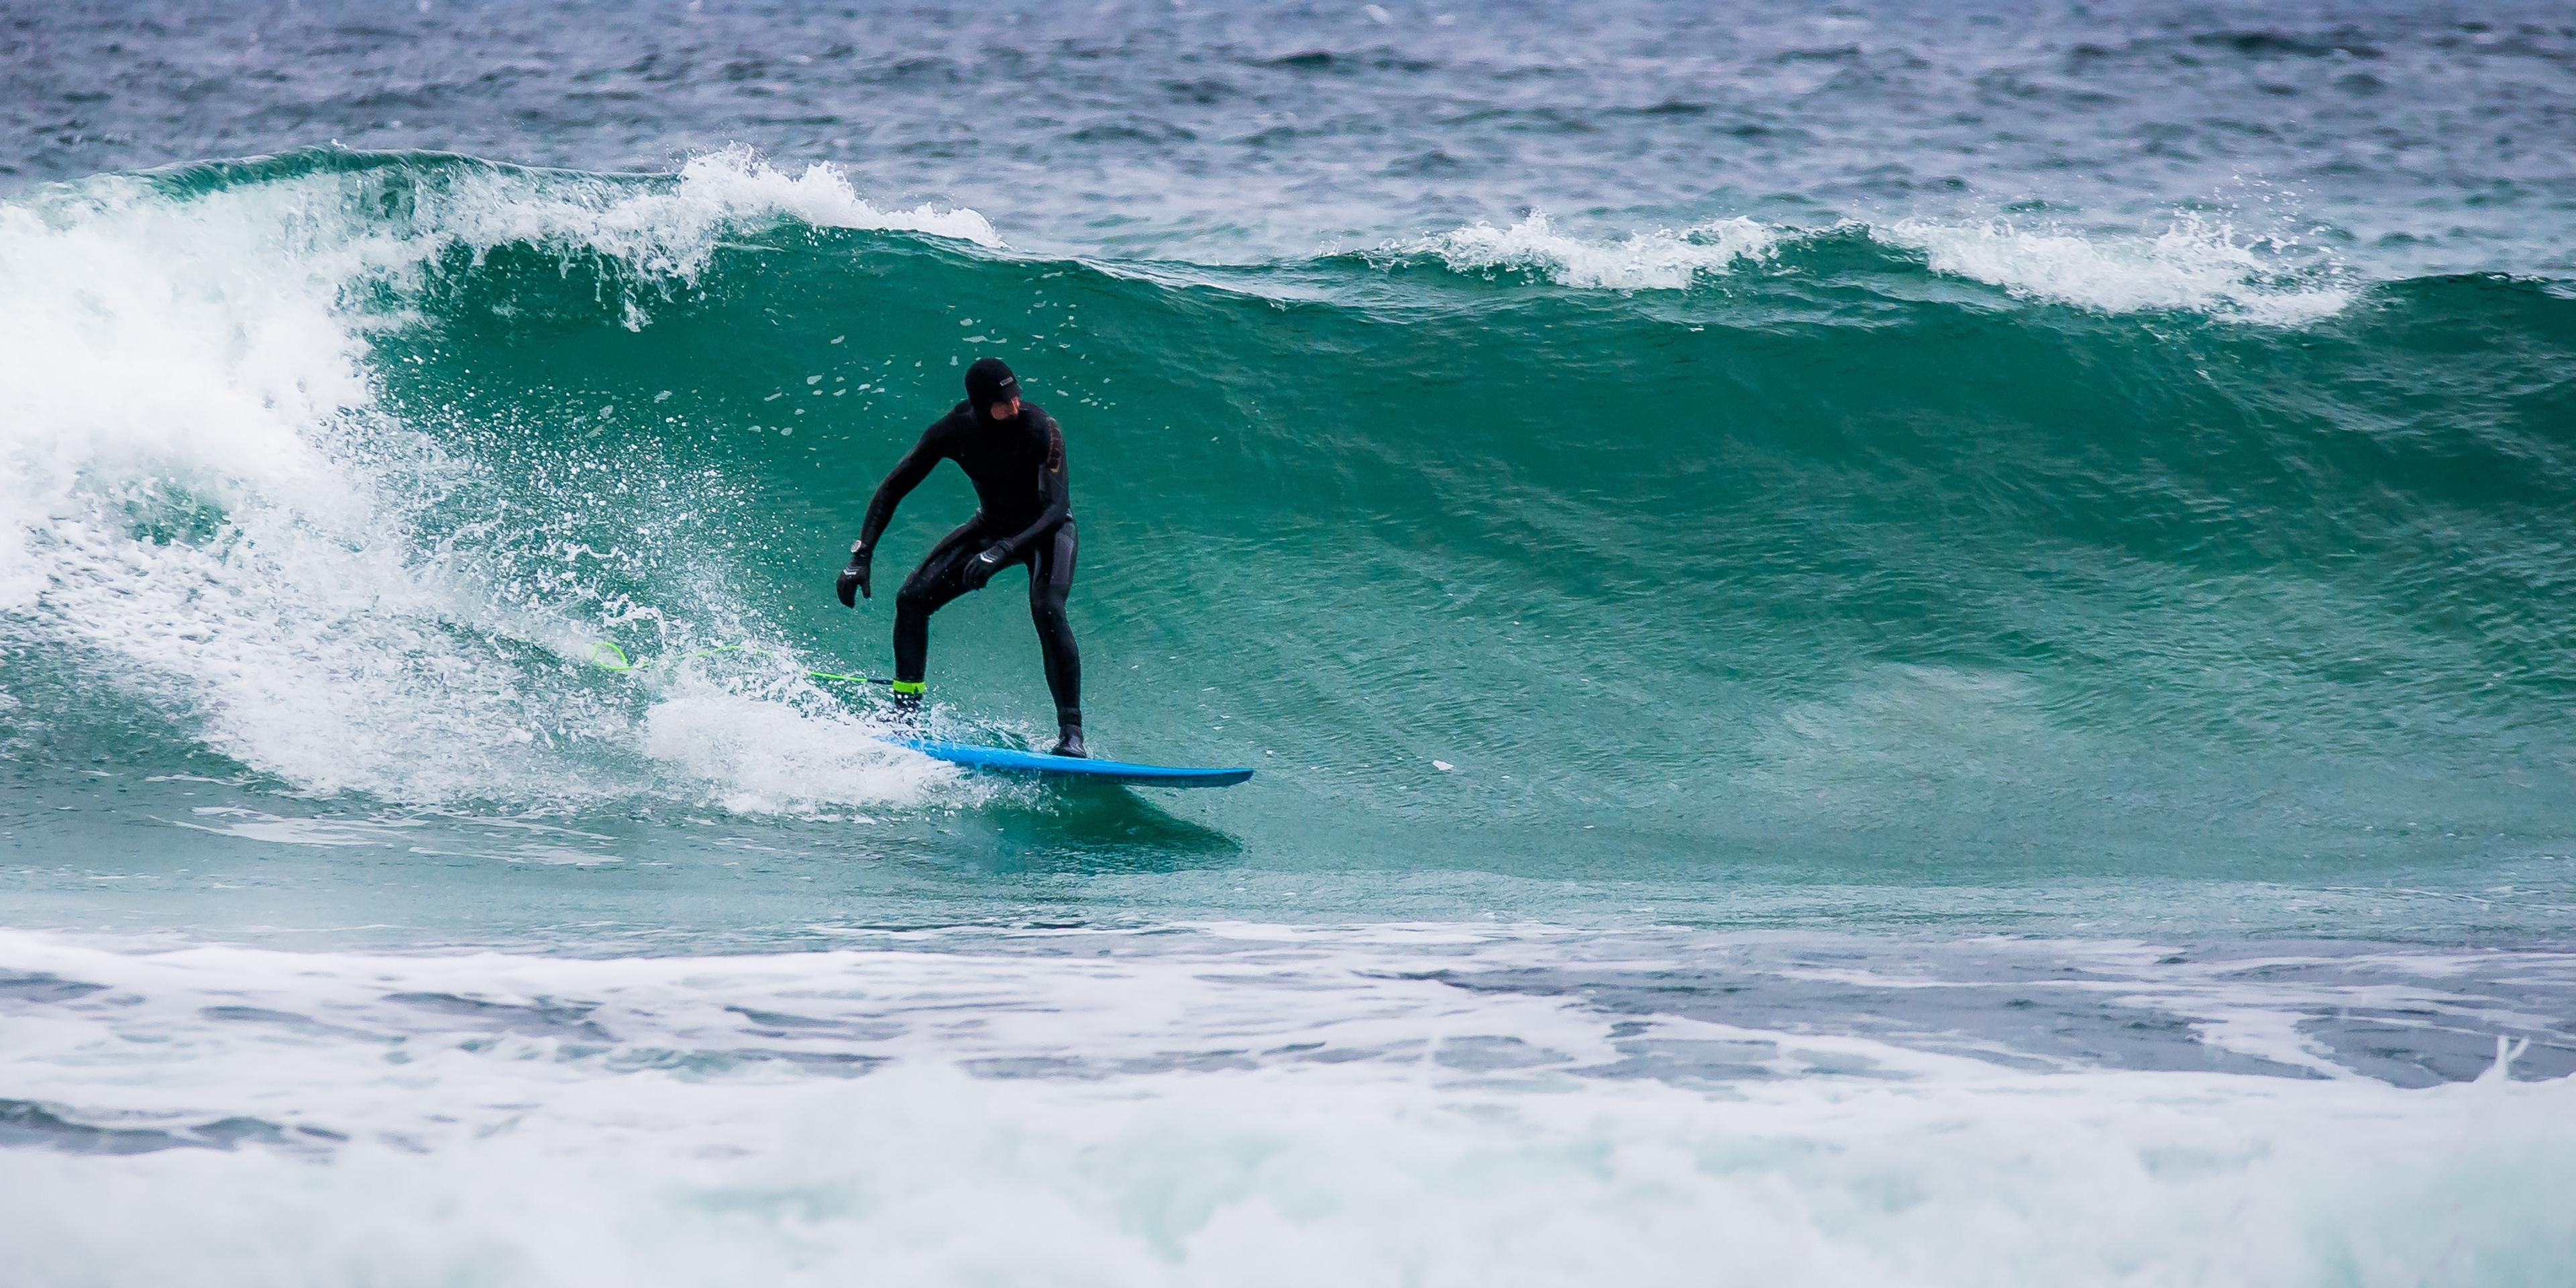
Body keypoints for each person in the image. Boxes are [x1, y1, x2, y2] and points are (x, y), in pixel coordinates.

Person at [837, 358, 1085, 757]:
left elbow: (1057, 508)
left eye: (1018, 395)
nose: (1017, 405)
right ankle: (905, 714)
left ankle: (1071, 734)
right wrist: (861, 555)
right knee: (912, 599)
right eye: (1006, 401)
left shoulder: (1042, 428)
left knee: (1048, 607)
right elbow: (893, 488)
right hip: (991, 526)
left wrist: (1002, 550)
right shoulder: (953, 431)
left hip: (1047, 532)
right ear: (983, 404)